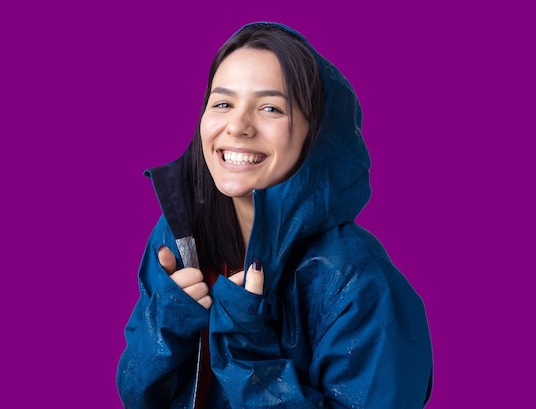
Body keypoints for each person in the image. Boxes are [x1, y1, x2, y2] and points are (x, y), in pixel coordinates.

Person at [116, 22, 433, 409]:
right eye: (222, 103)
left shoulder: (356, 278)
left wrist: (248, 351)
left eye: (270, 107)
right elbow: (138, 395)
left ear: (316, 133)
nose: (237, 126)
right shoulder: (177, 239)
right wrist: (166, 323)